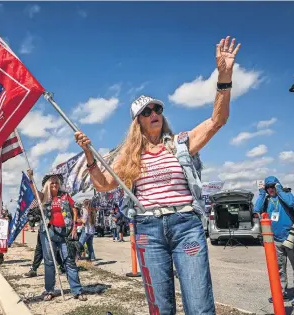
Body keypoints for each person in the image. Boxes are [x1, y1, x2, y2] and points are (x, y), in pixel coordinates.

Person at [74, 36, 241, 314]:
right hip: (148, 230)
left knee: (199, 306)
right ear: (137, 121)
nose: (154, 113)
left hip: (185, 225)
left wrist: (224, 77)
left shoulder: (180, 143)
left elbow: (216, 121)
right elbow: (102, 185)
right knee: (160, 308)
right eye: (146, 111)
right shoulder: (129, 157)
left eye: (157, 109)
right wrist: (89, 155)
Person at [26, 169, 87, 301]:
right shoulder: (44, 196)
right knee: (49, 261)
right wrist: (30, 178)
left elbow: (73, 209)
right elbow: (35, 192)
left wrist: (75, 227)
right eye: (52, 183)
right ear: (48, 184)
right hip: (48, 232)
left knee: (69, 261)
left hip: (65, 233)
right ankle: (49, 290)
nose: (55, 185)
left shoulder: (65, 195)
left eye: (56, 183)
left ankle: (77, 290)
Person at [254, 176, 294, 307]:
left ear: (277, 185)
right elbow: (256, 209)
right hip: (276, 240)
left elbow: (291, 204)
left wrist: (280, 189)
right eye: (268, 187)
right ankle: (281, 292)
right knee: (279, 269)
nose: (271, 189)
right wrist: (262, 193)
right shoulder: (266, 200)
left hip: (292, 238)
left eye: (273, 186)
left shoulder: (286, 195)